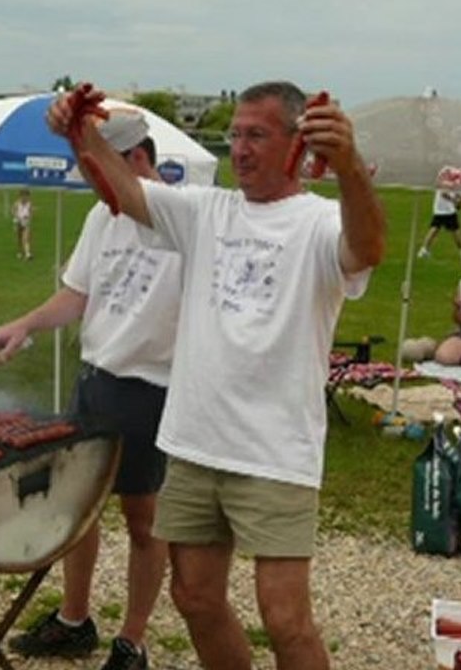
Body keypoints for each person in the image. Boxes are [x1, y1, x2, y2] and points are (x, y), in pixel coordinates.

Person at [47, 81, 385, 670]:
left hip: (275, 452)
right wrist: (84, 134)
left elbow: (369, 247)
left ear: (297, 143)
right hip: (196, 444)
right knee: (196, 598)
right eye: (235, 134)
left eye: (257, 134)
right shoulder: (206, 210)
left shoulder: (319, 223)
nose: (240, 148)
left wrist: (352, 166)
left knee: (285, 619)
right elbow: (127, 193)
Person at [0, 112, 181, 670]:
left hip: (149, 389)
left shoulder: (182, 219)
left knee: (144, 521)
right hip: (94, 380)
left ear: (137, 159)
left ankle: (133, 640)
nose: (95, 186)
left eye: (99, 172)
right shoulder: (102, 216)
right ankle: (75, 621)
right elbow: (77, 295)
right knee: (77, 510)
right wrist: (25, 323)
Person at [418, 185, 461, 259]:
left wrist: (460, 200)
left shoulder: (453, 180)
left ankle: (424, 249)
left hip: (441, 209)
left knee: (435, 228)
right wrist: (455, 200)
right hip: (445, 209)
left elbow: (458, 198)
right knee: (455, 230)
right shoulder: (446, 179)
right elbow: (443, 193)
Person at [12, 189, 34, 260]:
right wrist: (17, 218)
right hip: (18, 222)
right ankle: (20, 252)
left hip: (26, 222)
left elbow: (31, 213)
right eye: (23, 196)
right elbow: (13, 211)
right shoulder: (17, 203)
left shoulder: (29, 204)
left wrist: (28, 219)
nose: (25, 198)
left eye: (26, 196)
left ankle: (28, 253)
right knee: (19, 238)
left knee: (25, 238)